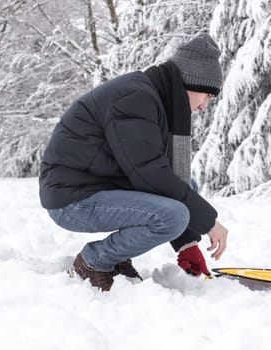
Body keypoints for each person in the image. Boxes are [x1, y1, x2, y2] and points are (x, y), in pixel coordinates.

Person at [39, 33, 229, 291]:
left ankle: (115, 258)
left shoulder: (155, 100)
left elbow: (168, 177)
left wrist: (188, 244)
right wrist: (208, 221)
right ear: (191, 83)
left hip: (96, 189)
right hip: (71, 200)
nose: (205, 106)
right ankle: (93, 262)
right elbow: (150, 175)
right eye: (207, 95)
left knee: (186, 188)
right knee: (173, 215)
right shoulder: (135, 98)